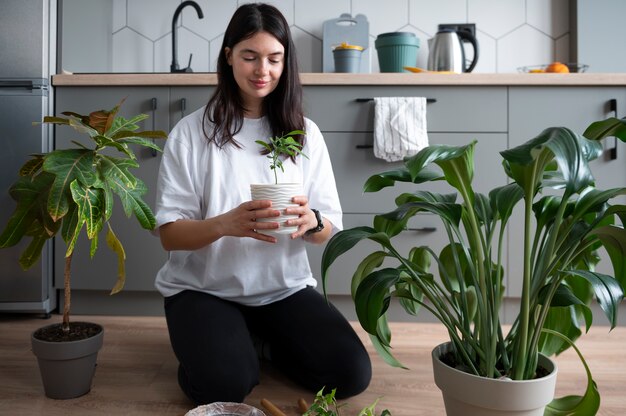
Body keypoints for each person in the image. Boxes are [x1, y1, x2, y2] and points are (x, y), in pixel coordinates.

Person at [154, 3, 371, 406]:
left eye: (274, 59)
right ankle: (222, 348)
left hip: (280, 289)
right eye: (250, 57)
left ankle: (258, 342)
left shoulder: (305, 133)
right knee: (226, 385)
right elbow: (169, 234)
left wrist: (312, 220)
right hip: (204, 290)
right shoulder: (190, 133)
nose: (262, 70)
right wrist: (225, 224)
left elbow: (329, 230)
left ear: (286, 61)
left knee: (351, 373)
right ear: (228, 56)